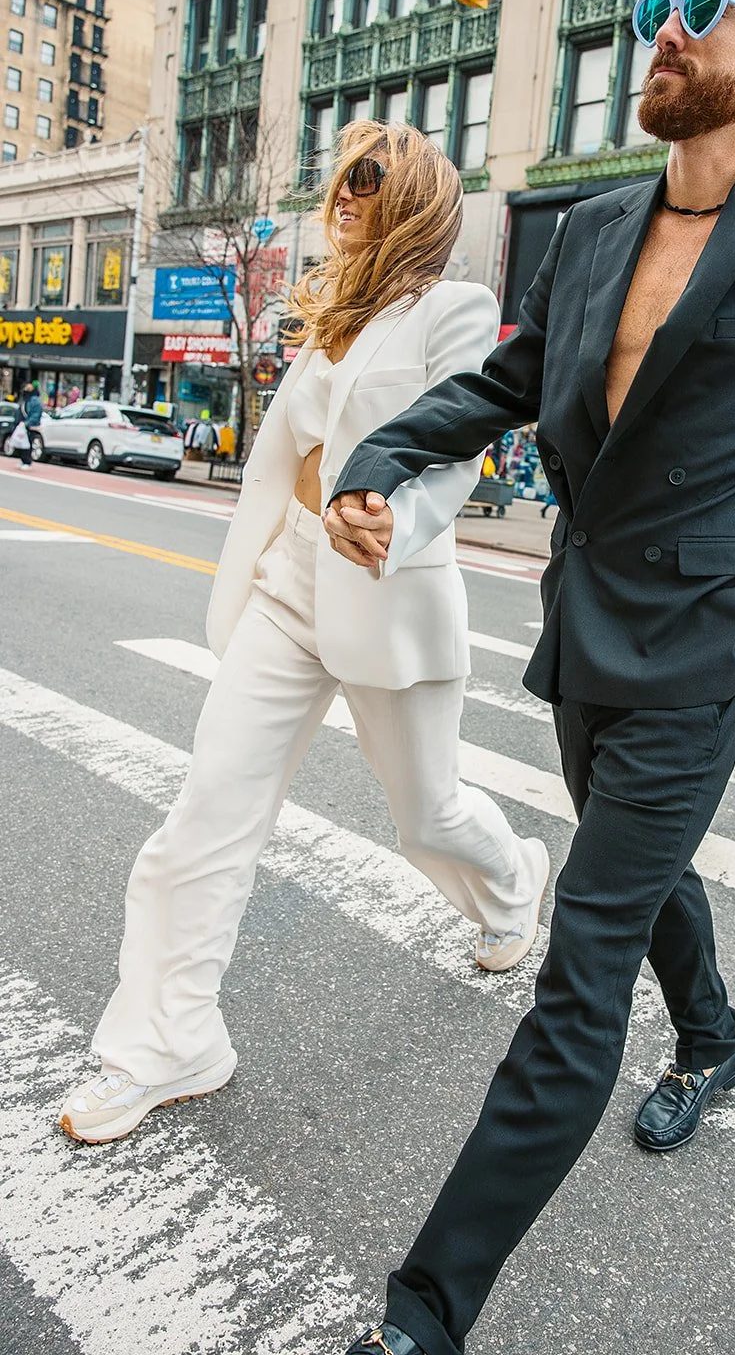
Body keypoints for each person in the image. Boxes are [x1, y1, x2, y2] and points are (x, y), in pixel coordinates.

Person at [324, 0, 735, 1355]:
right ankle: (714, 1037)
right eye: (661, 4)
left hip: (705, 652)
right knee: (637, 868)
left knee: (580, 963)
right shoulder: (596, 224)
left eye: (702, 8)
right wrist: (375, 460)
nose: (662, 29)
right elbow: (506, 386)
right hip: (583, 632)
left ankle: (421, 1317)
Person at [58, 120, 549, 1146]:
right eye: (342, 178)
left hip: (387, 589)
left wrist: (397, 520)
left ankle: (511, 883)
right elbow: (284, 458)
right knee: (207, 813)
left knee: (427, 815)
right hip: (288, 583)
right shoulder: (331, 315)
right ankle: (168, 1042)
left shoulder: (455, 309)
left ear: (417, 198)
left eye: (371, 176)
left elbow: (458, 442)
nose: (347, 193)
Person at [10, 383, 43, 469]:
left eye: (27, 388)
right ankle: (23, 460)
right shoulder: (26, 399)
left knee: (27, 444)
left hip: (29, 426)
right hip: (23, 425)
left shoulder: (34, 400)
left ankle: (27, 462)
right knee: (22, 443)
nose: (25, 390)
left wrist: (27, 423)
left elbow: (35, 414)